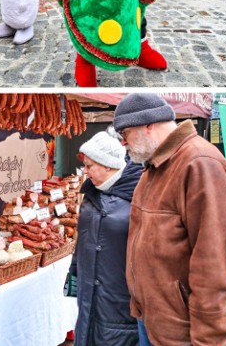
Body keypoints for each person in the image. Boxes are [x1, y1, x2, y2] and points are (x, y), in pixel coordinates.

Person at [113, 93, 226, 345]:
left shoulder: (199, 163)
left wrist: (210, 338)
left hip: (185, 331)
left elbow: (216, 262)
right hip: (155, 320)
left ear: (148, 125)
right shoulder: (155, 166)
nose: (123, 143)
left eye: (125, 133)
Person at [69, 132, 141, 346]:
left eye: (90, 166)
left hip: (119, 296)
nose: (85, 170)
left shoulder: (139, 194)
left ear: (108, 165)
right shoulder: (92, 192)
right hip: (89, 291)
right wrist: (75, 274)